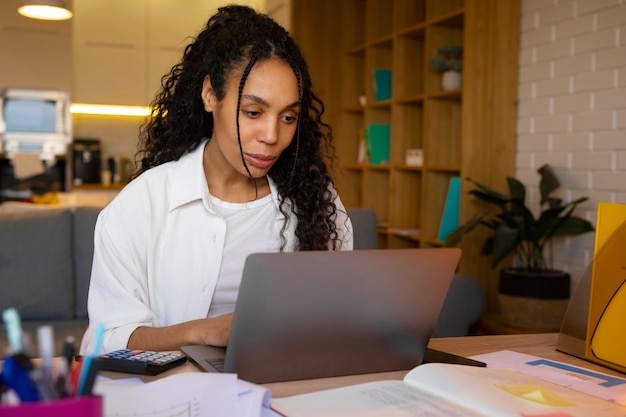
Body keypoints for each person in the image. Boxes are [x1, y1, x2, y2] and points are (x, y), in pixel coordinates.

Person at [80, 5, 353, 354]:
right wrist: (203, 332)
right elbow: (104, 340)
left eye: (288, 117)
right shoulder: (141, 204)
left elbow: (338, 320)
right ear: (210, 95)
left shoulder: (319, 205)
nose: (271, 135)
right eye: (253, 112)